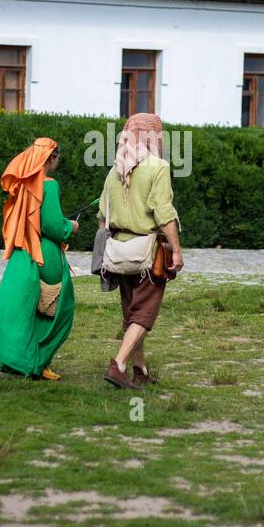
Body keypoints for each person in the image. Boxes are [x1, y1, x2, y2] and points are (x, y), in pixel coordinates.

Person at [0, 138, 78, 381]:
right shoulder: (50, 186)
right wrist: (70, 227)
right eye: (57, 157)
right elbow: (52, 226)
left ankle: (16, 362)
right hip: (45, 253)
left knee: (25, 308)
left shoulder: (24, 185)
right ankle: (38, 362)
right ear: (50, 158)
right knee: (58, 309)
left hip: (23, 252)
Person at [97, 112, 184, 388]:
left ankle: (140, 370)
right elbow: (164, 213)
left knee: (132, 312)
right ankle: (119, 365)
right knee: (144, 313)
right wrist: (177, 251)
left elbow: (102, 217)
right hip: (148, 253)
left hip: (119, 252)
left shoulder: (114, 170)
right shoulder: (157, 166)